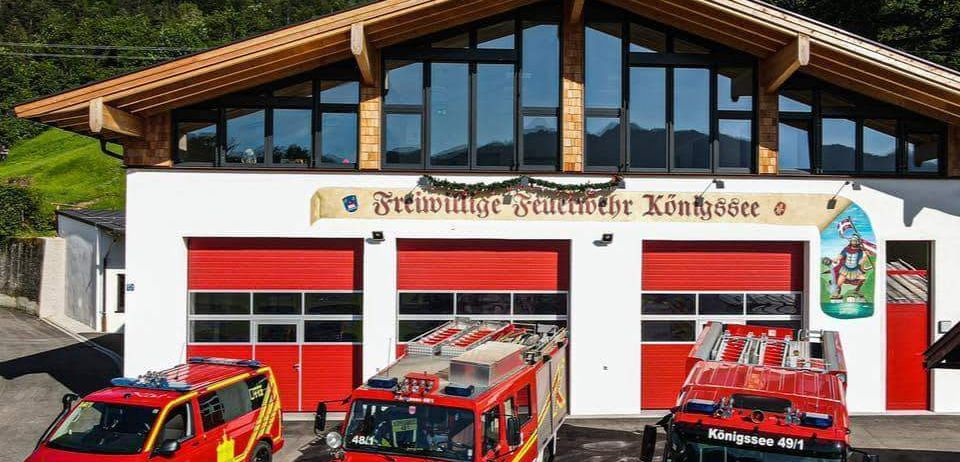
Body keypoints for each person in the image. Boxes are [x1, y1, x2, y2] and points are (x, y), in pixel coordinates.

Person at [830, 235, 873, 300]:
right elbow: (841, 256)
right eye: (852, 241)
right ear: (850, 241)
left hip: (855, 270)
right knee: (839, 284)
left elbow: (869, 254)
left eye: (855, 241)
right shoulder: (846, 249)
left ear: (857, 242)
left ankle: (857, 290)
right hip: (845, 269)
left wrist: (867, 254)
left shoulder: (860, 250)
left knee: (862, 279)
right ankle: (837, 295)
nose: (853, 242)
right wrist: (836, 259)